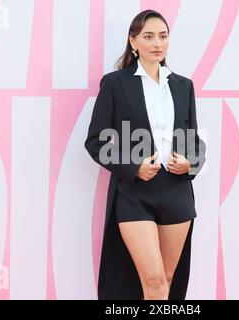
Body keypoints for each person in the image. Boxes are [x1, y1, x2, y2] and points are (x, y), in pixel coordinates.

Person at [85, 9, 206, 300]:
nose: (157, 43)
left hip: (176, 192)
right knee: (153, 280)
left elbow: (194, 141)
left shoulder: (183, 86)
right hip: (134, 193)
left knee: (166, 282)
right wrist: (133, 166)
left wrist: (190, 164)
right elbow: (95, 142)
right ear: (133, 41)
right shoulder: (115, 84)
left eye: (163, 36)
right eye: (148, 36)